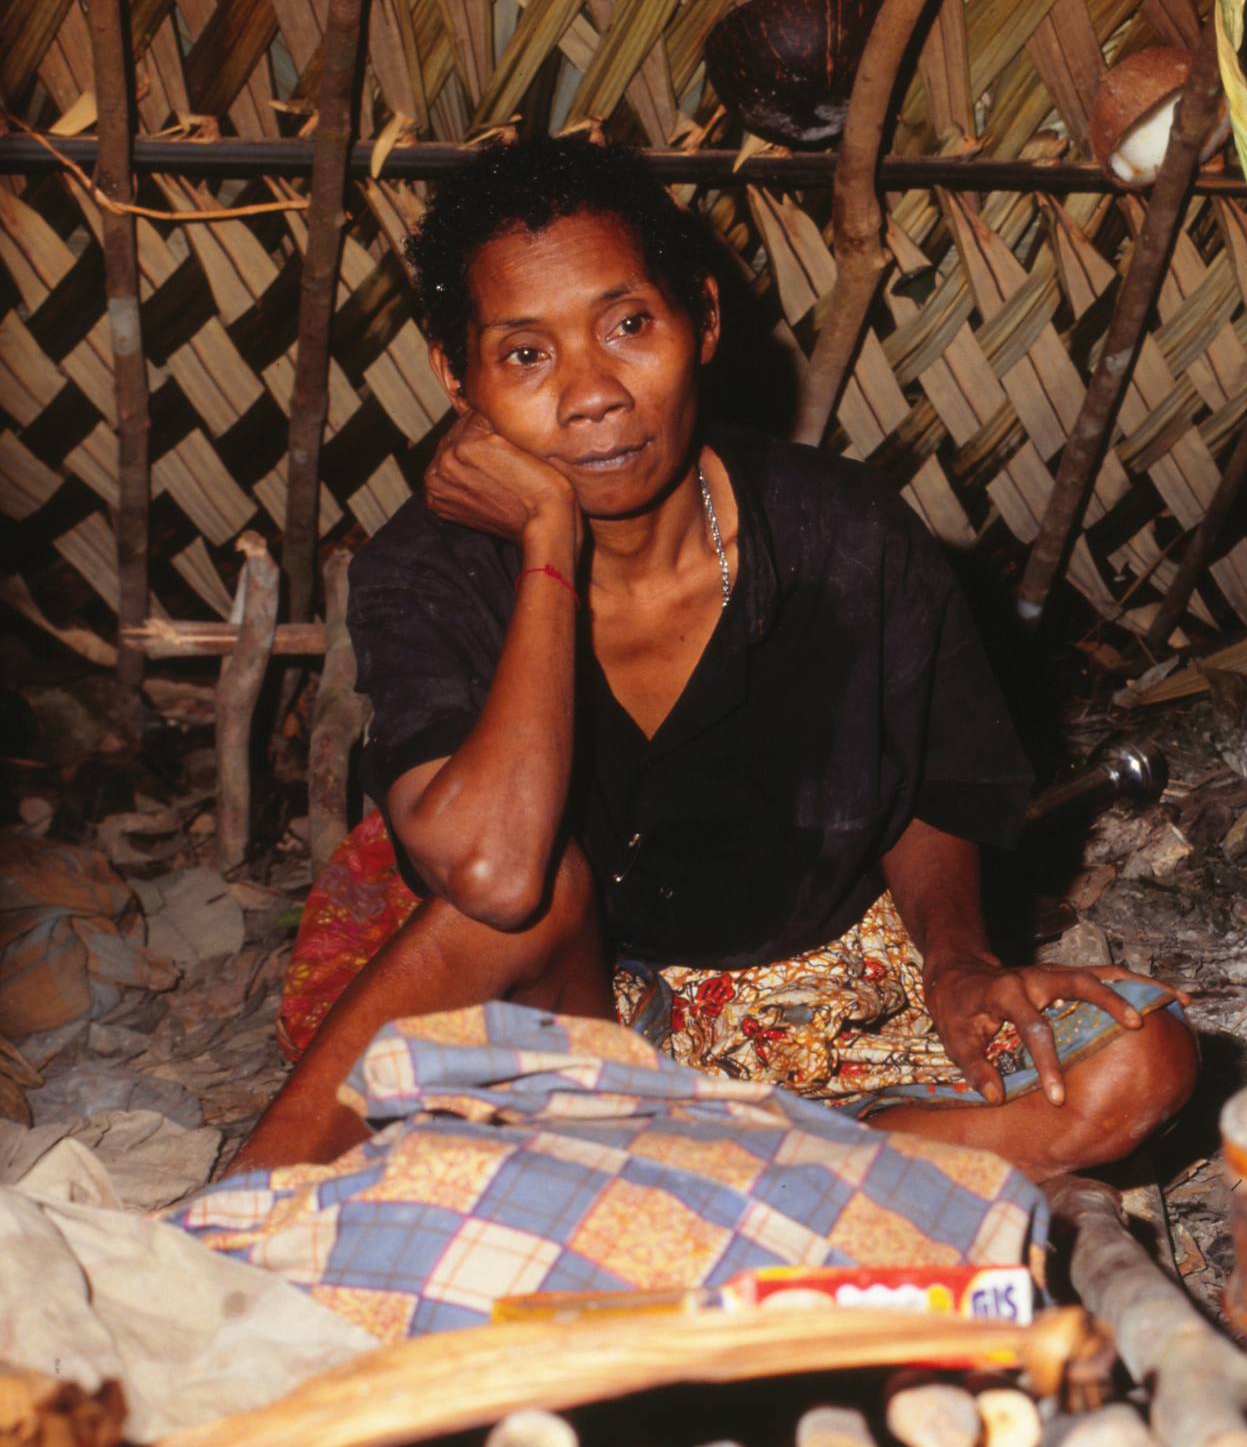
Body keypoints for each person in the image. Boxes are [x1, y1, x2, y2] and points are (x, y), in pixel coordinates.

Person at [233, 137, 1195, 1182]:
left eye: (628, 324)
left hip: (827, 989)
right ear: (454, 377)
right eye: (525, 355)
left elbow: (937, 786)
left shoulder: (844, 535)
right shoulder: (425, 576)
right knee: (539, 886)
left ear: (703, 317)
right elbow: (496, 877)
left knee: (1141, 1063)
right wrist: (548, 546)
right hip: (575, 1016)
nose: (591, 391)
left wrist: (958, 961)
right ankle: (227, 1220)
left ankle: (702, 1166)